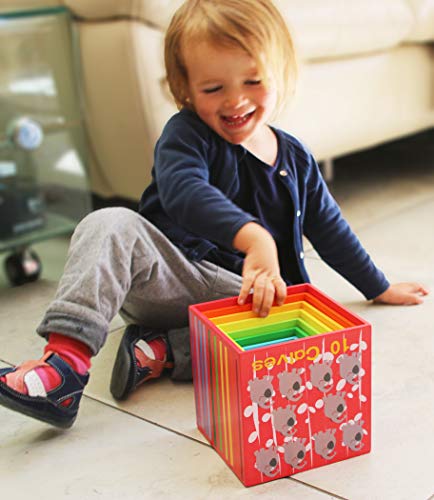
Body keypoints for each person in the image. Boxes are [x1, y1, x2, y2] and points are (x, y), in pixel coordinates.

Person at [0, 0, 428, 429]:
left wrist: (378, 286)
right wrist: (254, 237)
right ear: (184, 87)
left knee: (309, 330)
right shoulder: (185, 135)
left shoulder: (296, 158)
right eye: (213, 89)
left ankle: (164, 351)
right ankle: (64, 369)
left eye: (253, 80)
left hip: (246, 300)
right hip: (171, 277)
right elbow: (185, 192)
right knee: (107, 221)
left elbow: (330, 228)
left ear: (281, 71)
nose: (235, 100)